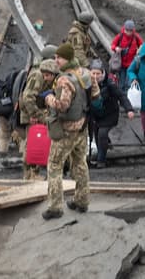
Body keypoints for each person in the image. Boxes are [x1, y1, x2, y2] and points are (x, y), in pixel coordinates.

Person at [42, 44, 98, 219]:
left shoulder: (64, 80)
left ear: (67, 58)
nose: (56, 60)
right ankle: (82, 200)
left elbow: (62, 106)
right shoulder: (86, 73)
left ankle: (55, 207)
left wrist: (48, 98)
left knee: (54, 165)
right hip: (82, 127)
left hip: (66, 131)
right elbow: (95, 94)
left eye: (59, 58)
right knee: (80, 162)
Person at [18, 45, 58, 181]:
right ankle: (29, 175)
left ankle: (32, 173)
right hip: (31, 113)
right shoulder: (38, 75)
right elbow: (28, 97)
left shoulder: (43, 73)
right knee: (32, 144)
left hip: (35, 111)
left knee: (37, 143)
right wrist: (36, 115)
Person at [88, 61, 135, 168]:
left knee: (102, 133)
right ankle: (104, 149)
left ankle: (101, 160)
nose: (95, 76)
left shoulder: (109, 84)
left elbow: (121, 96)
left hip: (110, 114)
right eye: (93, 73)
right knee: (96, 134)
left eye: (98, 74)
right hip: (96, 115)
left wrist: (129, 109)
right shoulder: (87, 84)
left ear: (102, 73)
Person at [110, 20, 143, 85]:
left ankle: (127, 93)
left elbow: (141, 45)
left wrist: (139, 50)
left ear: (133, 30)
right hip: (121, 63)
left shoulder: (136, 36)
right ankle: (121, 93)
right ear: (124, 29)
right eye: (127, 30)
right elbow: (113, 45)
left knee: (128, 82)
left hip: (131, 63)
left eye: (130, 31)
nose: (128, 32)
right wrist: (116, 48)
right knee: (121, 80)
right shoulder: (120, 36)